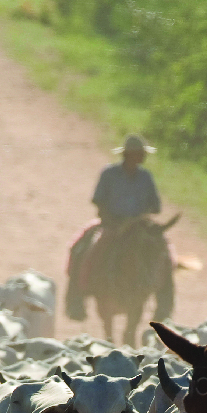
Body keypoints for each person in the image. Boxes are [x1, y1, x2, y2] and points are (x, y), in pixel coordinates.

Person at [65, 134, 165, 320]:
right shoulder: (109, 174)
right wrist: (112, 219)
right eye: (140, 154)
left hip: (139, 227)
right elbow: (98, 200)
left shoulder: (145, 177)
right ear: (129, 155)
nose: (143, 158)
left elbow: (156, 206)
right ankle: (78, 297)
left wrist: (141, 217)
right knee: (81, 249)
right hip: (112, 224)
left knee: (164, 252)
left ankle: (164, 305)